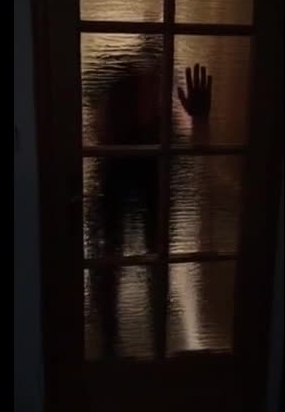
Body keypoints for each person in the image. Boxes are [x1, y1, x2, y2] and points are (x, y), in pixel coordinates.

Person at [88, 50, 213, 358]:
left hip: (148, 184)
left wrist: (200, 119)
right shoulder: (121, 117)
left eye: (159, 86)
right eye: (150, 86)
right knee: (109, 256)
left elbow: (198, 158)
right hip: (120, 179)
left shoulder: (161, 129)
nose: (157, 95)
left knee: (155, 257)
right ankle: (111, 342)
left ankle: (150, 340)